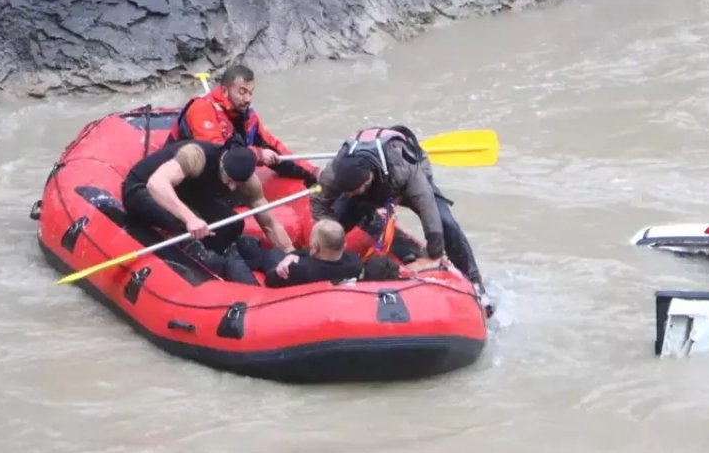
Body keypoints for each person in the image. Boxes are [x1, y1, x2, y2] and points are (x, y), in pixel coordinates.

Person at [309, 125, 487, 296]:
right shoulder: (333, 173)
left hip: (403, 185)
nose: (350, 193)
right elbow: (317, 200)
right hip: (365, 194)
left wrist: (435, 253)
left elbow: (427, 207)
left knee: (447, 224)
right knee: (333, 229)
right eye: (347, 190)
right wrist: (328, 229)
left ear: (369, 177)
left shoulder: (403, 168)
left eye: (355, 189)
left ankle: (475, 284)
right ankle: (364, 225)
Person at [121, 139, 296, 282]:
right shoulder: (196, 156)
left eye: (238, 183)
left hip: (187, 191)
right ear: (222, 165)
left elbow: (269, 223)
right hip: (143, 187)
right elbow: (156, 183)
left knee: (233, 224)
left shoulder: (248, 181)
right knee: (184, 221)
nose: (232, 186)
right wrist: (190, 219)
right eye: (229, 180)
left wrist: (290, 253)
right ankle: (199, 262)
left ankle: (230, 252)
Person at [166, 64, 318, 186]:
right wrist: (257, 154)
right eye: (242, 92)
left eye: (250, 93)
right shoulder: (201, 109)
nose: (248, 99)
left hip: (219, 171)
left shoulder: (247, 115)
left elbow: (274, 147)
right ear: (225, 91)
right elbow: (215, 153)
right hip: (187, 173)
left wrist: (313, 172)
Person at [232, 219, 363, 288]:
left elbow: (270, 281)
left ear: (315, 247)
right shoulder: (355, 263)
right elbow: (309, 255)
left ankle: (238, 251)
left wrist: (279, 269)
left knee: (271, 254)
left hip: (275, 271)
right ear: (343, 245)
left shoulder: (298, 269)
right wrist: (293, 255)